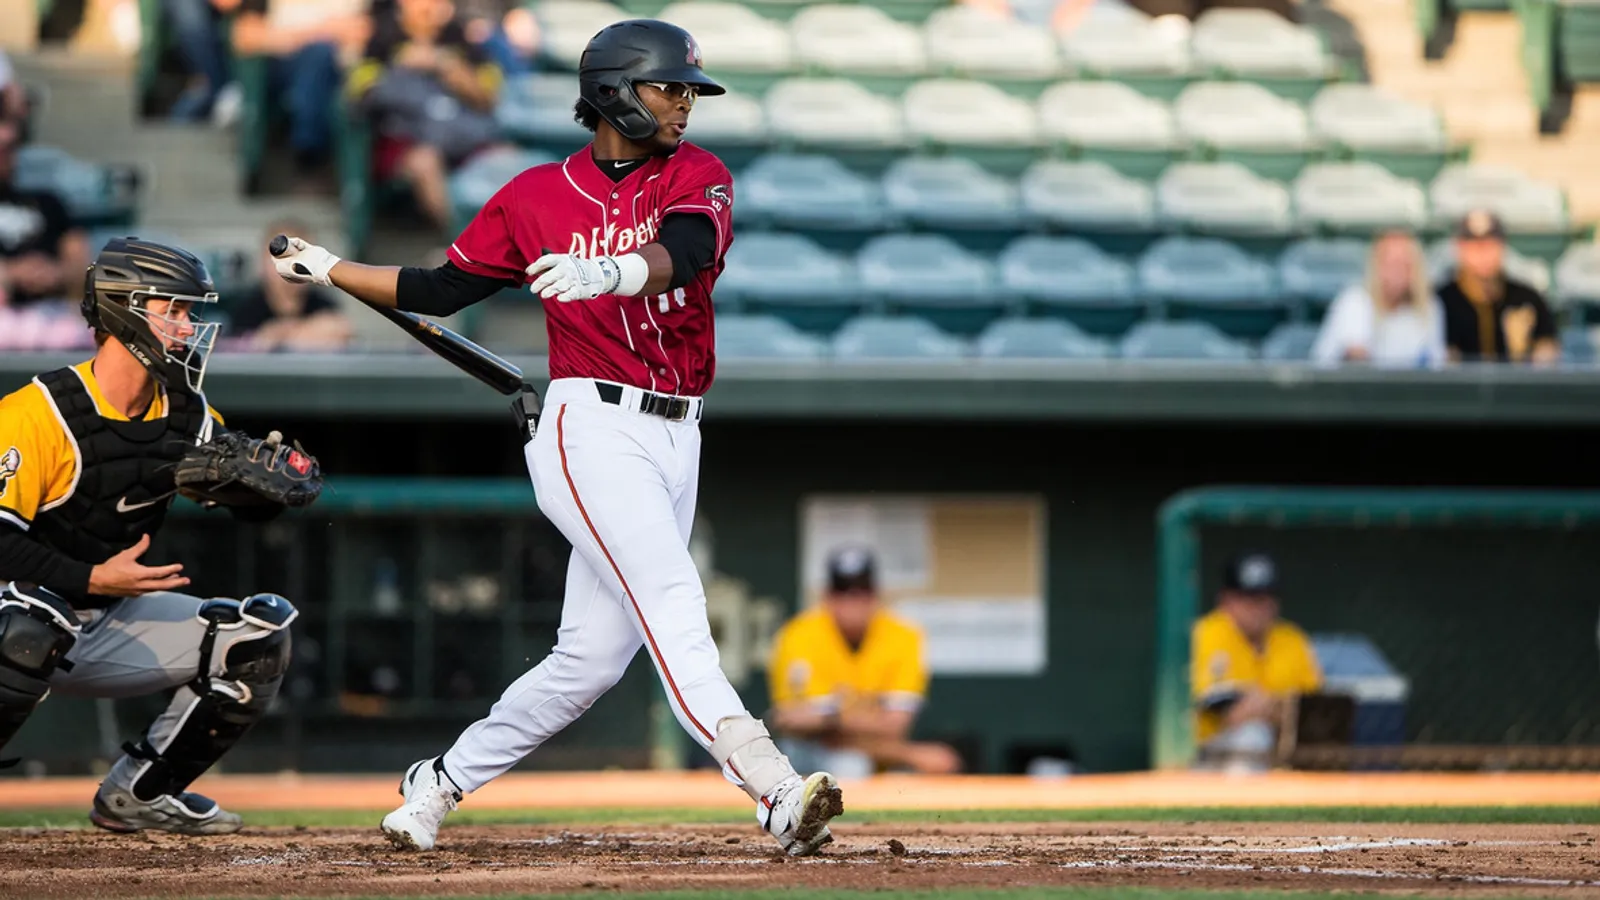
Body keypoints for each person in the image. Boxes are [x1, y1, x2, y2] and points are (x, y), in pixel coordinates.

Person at [268, 19, 846, 857]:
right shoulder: (535, 195)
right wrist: (331, 270)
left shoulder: (699, 174)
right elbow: (438, 286)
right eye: (668, 88)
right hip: (592, 425)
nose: (684, 104)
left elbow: (683, 251)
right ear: (615, 92)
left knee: (588, 662)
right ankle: (774, 790)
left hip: (678, 430)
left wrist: (605, 272)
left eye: (688, 90)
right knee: (673, 602)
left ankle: (436, 783)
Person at [0, 237, 321, 834]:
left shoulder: (188, 413)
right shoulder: (39, 411)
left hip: (98, 619)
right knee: (26, 625)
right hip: (18, 613)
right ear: (124, 310)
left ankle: (140, 794)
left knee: (258, 639)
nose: (186, 326)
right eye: (171, 309)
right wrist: (91, 577)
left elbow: (243, 505)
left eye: (188, 311)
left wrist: (267, 492)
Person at [767, 547, 963, 778]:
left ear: (876, 595)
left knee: (927, 771)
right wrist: (909, 752)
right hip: (807, 753)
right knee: (850, 766)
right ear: (827, 596)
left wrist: (831, 717)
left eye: (862, 592)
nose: (853, 602)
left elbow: (895, 725)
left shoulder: (903, 636)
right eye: (843, 591)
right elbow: (793, 722)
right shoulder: (798, 635)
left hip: (880, 753)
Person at [345, 0, 508, 232]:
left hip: (462, 136)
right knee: (426, 162)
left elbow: (489, 98)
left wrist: (448, 66)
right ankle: (464, 242)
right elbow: (357, 93)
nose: (429, 7)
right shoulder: (382, 39)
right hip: (403, 142)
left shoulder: (463, 40)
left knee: (507, 157)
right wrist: (399, 67)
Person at [1189, 552, 1322, 773]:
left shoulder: (1292, 639)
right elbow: (1229, 713)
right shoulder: (1206, 634)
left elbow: (1313, 711)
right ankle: (1243, 807)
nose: (1259, 608)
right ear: (1225, 600)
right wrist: (1279, 708)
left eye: (1265, 598)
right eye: (1248, 598)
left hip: (1279, 752)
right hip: (1210, 755)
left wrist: (1264, 705)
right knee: (1253, 735)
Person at [228, 0, 371, 175]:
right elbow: (244, 36)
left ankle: (311, 149)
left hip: (347, 70)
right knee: (318, 54)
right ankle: (310, 152)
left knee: (323, 59)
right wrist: (323, 31)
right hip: (286, 66)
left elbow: (364, 30)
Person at [1436, 209, 1560, 366]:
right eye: (1475, 247)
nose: (1483, 255)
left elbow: (1547, 353)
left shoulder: (1527, 298)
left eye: (1490, 245)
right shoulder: (1441, 300)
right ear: (1460, 249)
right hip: (1462, 389)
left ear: (1502, 247)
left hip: (1516, 387)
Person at [1311, 230, 1446, 369]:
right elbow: (1357, 363)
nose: (1397, 272)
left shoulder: (1430, 307)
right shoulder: (1355, 300)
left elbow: (1435, 366)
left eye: (1405, 264)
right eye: (1391, 263)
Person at [0, 120, 92, 309]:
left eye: (9, 148)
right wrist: (11, 272)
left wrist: (57, 274)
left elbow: (81, 265)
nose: (5, 155)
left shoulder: (49, 201)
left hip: (52, 314)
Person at [228, 221, 353, 351]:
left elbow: (341, 331)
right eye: (280, 259)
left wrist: (282, 334)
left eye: (299, 259)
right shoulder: (245, 308)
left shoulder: (323, 303)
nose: (290, 267)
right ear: (262, 262)